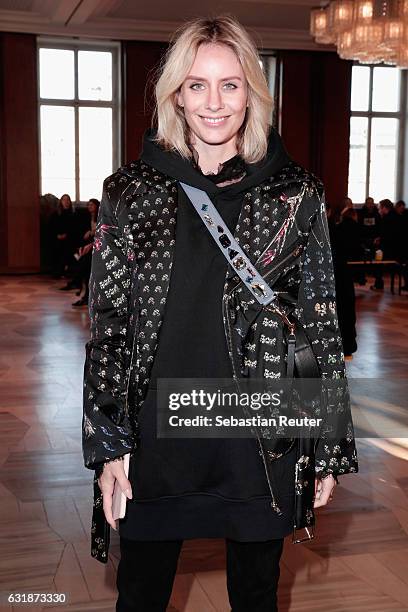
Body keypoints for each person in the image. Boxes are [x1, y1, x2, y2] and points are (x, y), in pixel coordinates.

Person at [82, 16, 359, 612]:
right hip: (159, 424)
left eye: (230, 85)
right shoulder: (131, 191)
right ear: (175, 94)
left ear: (252, 93)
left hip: (258, 429)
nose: (214, 102)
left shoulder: (295, 193)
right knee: (141, 592)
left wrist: (326, 446)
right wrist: (109, 442)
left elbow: (318, 326)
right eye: (196, 84)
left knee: (257, 594)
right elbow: (108, 327)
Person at [71, 198, 100, 307]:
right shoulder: (87, 218)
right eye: (88, 205)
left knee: (85, 266)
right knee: (78, 256)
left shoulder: (101, 218)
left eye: (92, 205)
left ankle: (79, 284)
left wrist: (92, 233)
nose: (89, 207)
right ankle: (80, 285)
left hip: (98, 247)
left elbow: (102, 235)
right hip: (90, 245)